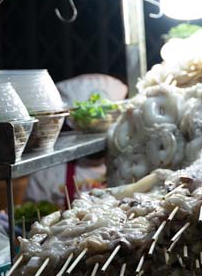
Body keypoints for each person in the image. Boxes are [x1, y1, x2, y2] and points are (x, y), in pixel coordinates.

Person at [25, 74, 128, 207]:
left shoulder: (126, 165)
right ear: (73, 127)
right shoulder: (46, 173)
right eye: (88, 132)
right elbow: (32, 215)